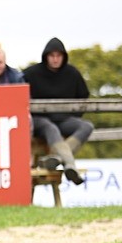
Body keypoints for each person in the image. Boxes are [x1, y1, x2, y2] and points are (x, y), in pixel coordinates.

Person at [23, 37, 92, 185]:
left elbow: (83, 96)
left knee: (86, 126)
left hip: (64, 119)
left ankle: (57, 158)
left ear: (63, 57)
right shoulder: (31, 73)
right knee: (51, 128)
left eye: (58, 56)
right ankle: (70, 164)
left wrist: (75, 115)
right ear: (46, 56)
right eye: (52, 56)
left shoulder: (72, 73)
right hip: (40, 120)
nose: (55, 59)